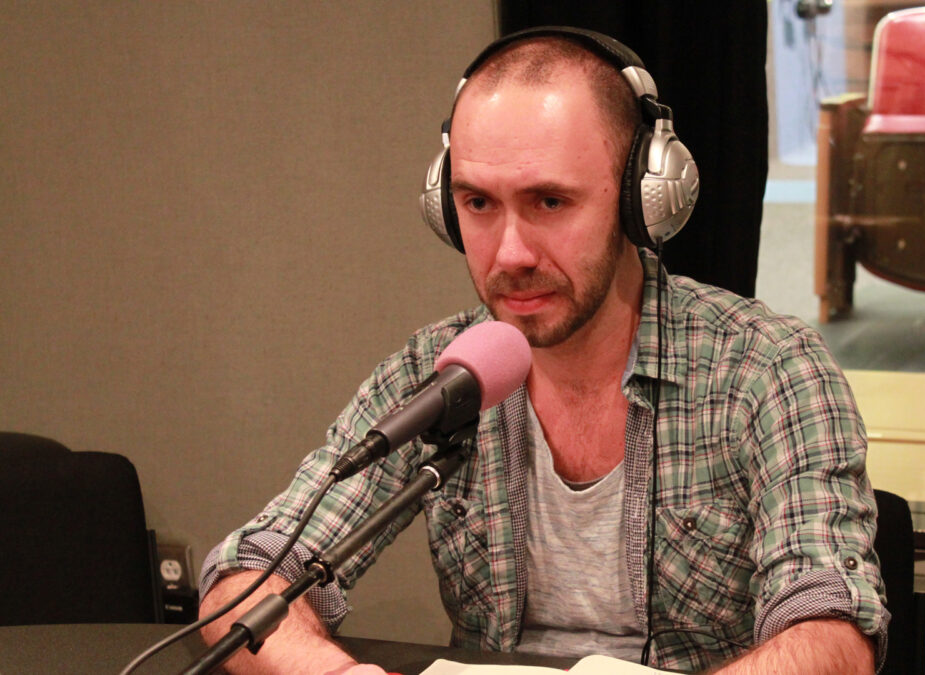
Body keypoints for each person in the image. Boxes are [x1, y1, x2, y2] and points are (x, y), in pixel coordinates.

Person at [198, 27, 886, 674]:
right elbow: (246, 579)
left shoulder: (769, 370)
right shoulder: (434, 373)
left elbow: (832, 631)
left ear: (641, 198)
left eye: (550, 202)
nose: (510, 253)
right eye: (477, 203)